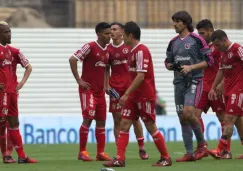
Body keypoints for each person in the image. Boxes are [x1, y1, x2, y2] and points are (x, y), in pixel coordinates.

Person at [104, 21, 172, 167]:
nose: (122, 37)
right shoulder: (131, 51)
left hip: (144, 95)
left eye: (124, 34)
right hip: (133, 96)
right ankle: (120, 159)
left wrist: (126, 94)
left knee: (150, 125)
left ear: (130, 35)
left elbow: (141, 76)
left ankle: (166, 157)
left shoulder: (141, 50)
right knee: (124, 124)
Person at [165, 11, 214, 162]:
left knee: (188, 112)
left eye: (177, 21)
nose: (174, 24)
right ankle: (189, 153)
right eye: (173, 21)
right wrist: (171, 65)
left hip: (194, 80)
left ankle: (202, 144)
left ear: (185, 23)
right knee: (182, 118)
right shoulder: (173, 42)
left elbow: (209, 61)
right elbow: (167, 62)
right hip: (179, 82)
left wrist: (191, 67)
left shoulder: (197, 39)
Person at [69, 22, 112, 162]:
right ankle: (82, 151)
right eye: (106, 34)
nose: (109, 36)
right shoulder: (90, 47)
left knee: (101, 122)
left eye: (110, 33)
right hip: (88, 91)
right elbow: (72, 59)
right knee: (88, 118)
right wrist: (78, 80)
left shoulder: (107, 51)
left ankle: (100, 152)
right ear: (98, 34)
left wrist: (106, 85)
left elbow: (106, 68)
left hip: (100, 92)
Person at [105, 22, 149, 160]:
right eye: (110, 29)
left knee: (135, 118)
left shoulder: (129, 47)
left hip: (129, 87)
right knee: (117, 119)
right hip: (115, 88)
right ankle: (120, 153)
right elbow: (106, 68)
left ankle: (141, 147)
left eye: (114, 29)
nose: (111, 31)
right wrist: (106, 85)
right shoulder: (108, 50)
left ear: (121, 32)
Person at [0, 21, 37, 163]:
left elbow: (28, 66)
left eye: (10, 31)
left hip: (12, 93)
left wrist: (21, 82)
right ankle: (6, 156)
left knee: (14, 123)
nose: (9, 34)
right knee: (2, 124)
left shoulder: (14, 51)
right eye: (6, 32)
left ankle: (21, 156)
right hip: (2, 94)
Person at [195, 19, 232, 159]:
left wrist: (221, 84)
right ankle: (202, 147)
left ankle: (226, 150)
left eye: (202, 33)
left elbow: (225, 67)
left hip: (216, 88)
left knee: (222, 117)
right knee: (194, 115)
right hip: (204, 87)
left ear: (211, 31)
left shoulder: (220, 46)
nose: (200, 36)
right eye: (199, 33)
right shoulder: (200, 47)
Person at [207, 30, 243, 159]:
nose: (216, 48)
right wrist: (213, 87)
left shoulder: (237, 49)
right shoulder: (222, 53)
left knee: (228, 119)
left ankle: (220, 149)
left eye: (218, 45)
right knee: (238, 120)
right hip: (228, 90)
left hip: (238, 90)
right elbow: (220, 71)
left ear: (224, 39)